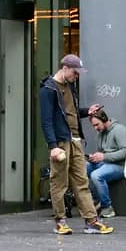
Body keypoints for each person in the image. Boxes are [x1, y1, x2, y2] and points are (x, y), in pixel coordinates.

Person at [38, 55, 113, 236]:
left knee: (81, 182)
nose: (76, 76)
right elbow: (46, 120)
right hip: (61, 142)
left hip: (75, 140)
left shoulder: (69, 86)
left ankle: (91, 221)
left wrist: (87, 111)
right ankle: (60, 221)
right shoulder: (48, 89)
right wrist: (53, 146)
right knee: (59, 183)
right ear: (64, 68)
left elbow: (70, 112)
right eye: (74, 72)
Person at [87, 109, 126, 218]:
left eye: (97, 124)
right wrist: (96, 157)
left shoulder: (119, 130)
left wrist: (103, 156)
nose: (96, 128)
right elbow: (103, 153)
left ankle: (107, 207)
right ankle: (98, 200)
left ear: (104, 119)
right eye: (93, 126)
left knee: (96, 175)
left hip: (120, 166)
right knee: (84, 169)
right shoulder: (101, 133)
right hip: (106, 163)